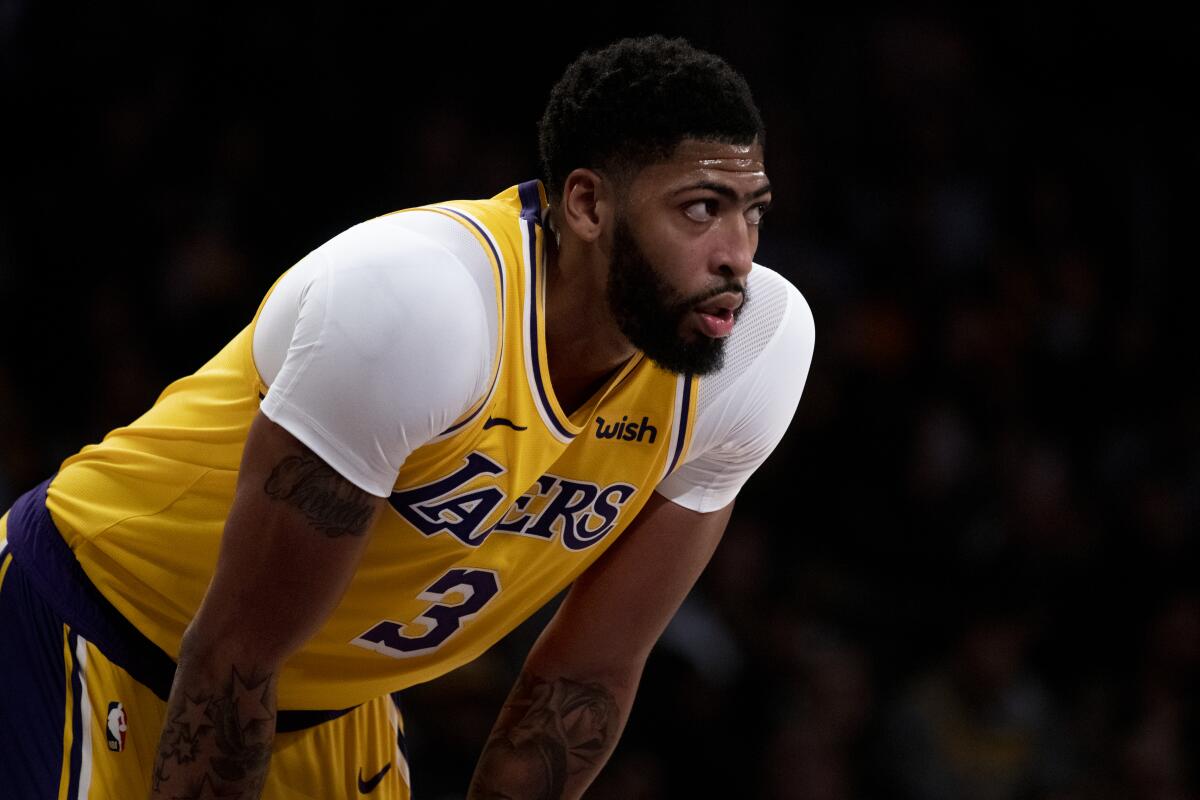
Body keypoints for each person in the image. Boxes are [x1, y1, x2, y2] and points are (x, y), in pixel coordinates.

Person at [0, 35, 814, 799]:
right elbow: (231, 657)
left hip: (319, 699)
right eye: (701, 210)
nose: (737, 253)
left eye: (753, 211)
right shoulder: (424, 306)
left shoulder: (755, 348)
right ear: (588, 205)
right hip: (90, 623)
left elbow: (581, 684)